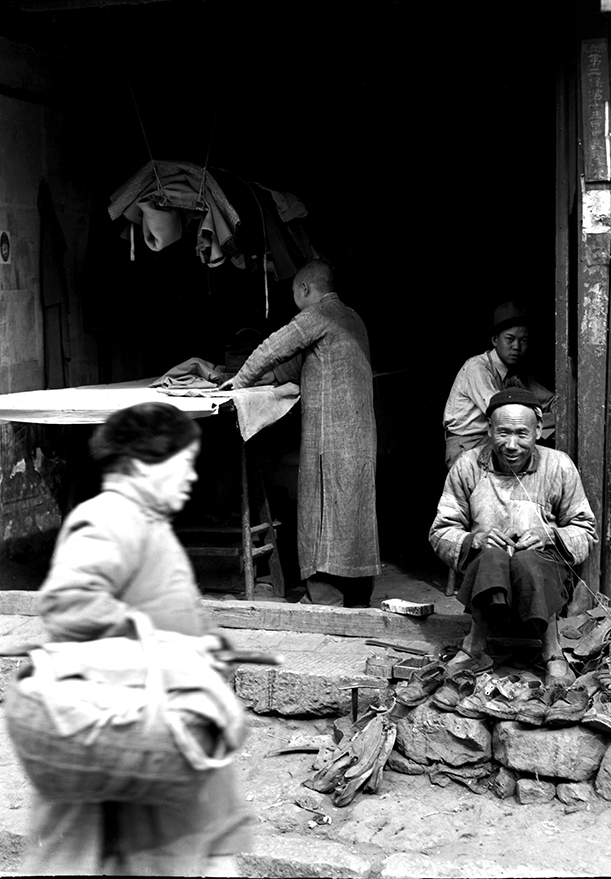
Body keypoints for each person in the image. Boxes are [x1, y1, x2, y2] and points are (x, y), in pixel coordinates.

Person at [24, 402, 252, 877]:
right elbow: (69, 603)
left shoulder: (147, 522)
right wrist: (165, 646)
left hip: (154, 724)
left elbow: (163, 605)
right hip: (121, 720)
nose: (192, 477)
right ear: (139, 465)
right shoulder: (109, 518)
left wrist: (206, 641)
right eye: (182, 465)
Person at [221, 259, 379, 607]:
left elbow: (273, 348)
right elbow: (296, 363)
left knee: (322, 509)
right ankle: (355, 593)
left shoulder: (318, 315)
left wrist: (241, 380)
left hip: (332, 432)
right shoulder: (351, 317)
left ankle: (325, 596)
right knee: (352, 510)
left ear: (305, 289)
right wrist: (266, 377)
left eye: (294, 291)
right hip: (357, 433)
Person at [429, 387, 596, 682]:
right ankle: (474, 647)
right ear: (489, 429)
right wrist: (474, 540)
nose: (511, 444)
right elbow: (441, 531)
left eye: (522, 434)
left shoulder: (558, 465)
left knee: (528, 561)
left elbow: (584, 529)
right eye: (503, 433)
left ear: (539, 430)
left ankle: (552, 651)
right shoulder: (467, 466)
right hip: (487, 580)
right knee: (492, 556)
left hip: (544, 578)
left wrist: (550, 536)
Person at [442, 301, 555, 469]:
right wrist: (549, 420)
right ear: (495, 340)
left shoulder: (518, 373)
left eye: (523, 340)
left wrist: (558, 416)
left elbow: (551, 401)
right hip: (468, 445)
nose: (517, 347)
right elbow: (502, 412)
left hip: (499, 440)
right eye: (510, 339)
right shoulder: (477, 368)